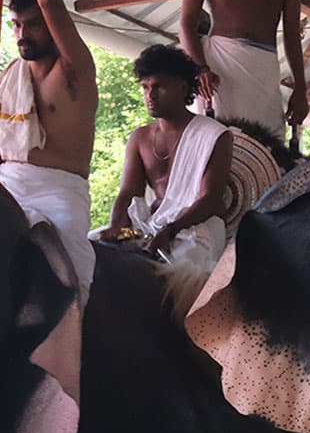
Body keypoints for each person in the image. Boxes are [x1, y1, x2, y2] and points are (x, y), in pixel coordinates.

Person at [0, 0, 98, 291]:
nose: (22, 33)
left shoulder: (74, 70)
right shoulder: (7, 78)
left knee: (67, 277)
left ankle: (71, 343)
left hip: (59, 194)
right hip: (6, 185)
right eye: (16, 24)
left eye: (32, 23)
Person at [96, 44, 237, 311]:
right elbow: (128, 192)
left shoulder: (214, 134)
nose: (150, 95)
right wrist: (117, 227)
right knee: (91, 253)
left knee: (180, 285)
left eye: (159, 86)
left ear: (184, 87)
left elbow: (209, 198)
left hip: (197, 229)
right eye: (145, 87)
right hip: (151, 225)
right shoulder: (140, 138)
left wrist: (171, 230)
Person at [179, 0, 310, 140]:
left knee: (268, 147)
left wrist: (301, 87)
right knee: (218, 143)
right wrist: (200, 69)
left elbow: (291, 32)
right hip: (219, 67)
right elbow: (186, 25)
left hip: (264, 66)